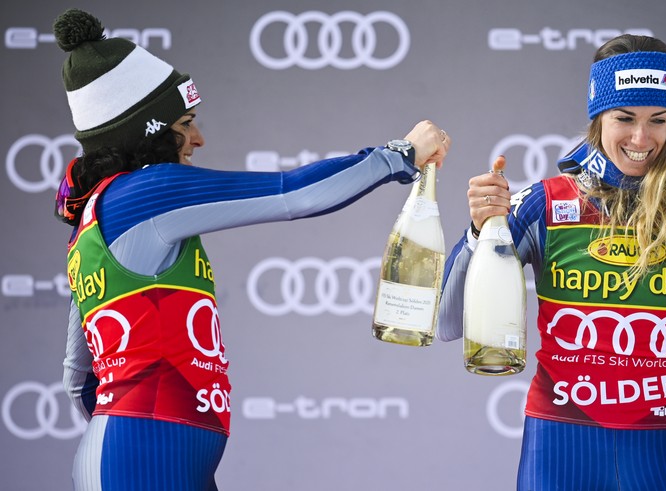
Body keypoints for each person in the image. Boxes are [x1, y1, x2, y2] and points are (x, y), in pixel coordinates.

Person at [53, 8, 450, 491]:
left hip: (143, 453)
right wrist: (399, 155)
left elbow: (81, 378)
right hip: (144, 457)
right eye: (186, 122)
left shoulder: (93, 217)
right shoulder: (145, 194)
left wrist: (128, 429)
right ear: (150, 133)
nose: (198, 138)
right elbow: (293, 193)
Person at [437, 34, 666, 491]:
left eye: (658, 119)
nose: (641, 137)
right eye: (624, 117)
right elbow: (447, 320)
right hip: (560, 449)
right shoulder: (541, 206)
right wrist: (478, 231)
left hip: (664, 449)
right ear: (598, 117)